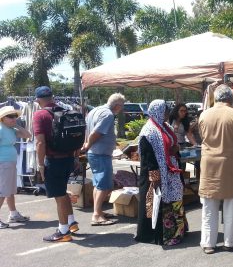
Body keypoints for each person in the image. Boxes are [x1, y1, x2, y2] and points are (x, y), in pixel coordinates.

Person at [199, 85, 233, 255]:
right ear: (231, 99)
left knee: (209, 206)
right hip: (230, 164)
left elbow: (203, 137)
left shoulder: (204, 115)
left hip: (208, 165)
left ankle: (208, 244)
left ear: (216, 98)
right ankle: (230, 242)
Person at [135, 100, 188, 246]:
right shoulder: (149, 131)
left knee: (175, 197)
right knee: (156, 202)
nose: (167, 114)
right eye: (165, 111)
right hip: (157, 173)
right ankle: (161, 235)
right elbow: (148, 157)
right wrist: (155, 178)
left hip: (170, 170)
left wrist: (175, 150)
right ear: (158, 111)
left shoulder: (165, 127)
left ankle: (178, 231)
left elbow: (172, 144)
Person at [33, 86, 80, 242]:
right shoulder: (66, 111)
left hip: (53, 160)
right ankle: (72, 222)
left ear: (38, 100)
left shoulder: (40, 115)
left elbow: (40, 143)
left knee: (59, 196)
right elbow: (77, 136)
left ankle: (63, 231)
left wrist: (40, 165)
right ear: (52, 97)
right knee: (63, 192)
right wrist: (76, 158)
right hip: (68, 159)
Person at [81, 93, 125, 226]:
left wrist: (86, 144)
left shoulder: (95, 110)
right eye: (121, 106)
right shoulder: (108, 115)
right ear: (117, 105)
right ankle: (96, 215)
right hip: (100, 153)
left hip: (95, 153)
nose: (121, 109)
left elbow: (88, 130)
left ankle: (98, 211)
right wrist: (88, 144)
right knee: (104, 185)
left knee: (98, 184)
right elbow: (96, 132)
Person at [0, 106, 32, 228]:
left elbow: (27, 134)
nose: (14, 118)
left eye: (15, 116)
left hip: (9, 162)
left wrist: (16, 125)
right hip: (3, 163)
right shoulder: (1, 129)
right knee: (3, 191)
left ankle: (13, 214)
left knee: (10, 190)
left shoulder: (11, 129)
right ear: (3, 118)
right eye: (10, 116)